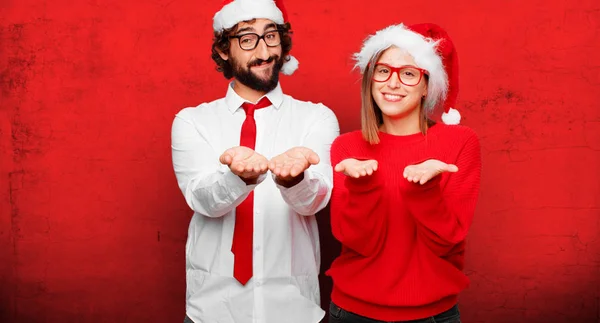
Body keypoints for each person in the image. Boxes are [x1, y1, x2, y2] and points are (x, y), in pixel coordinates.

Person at [170, 0, 339, 322]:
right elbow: (202, 200)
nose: (263, 51)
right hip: (213, 307)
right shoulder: (192, 121)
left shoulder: (316, 117)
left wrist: (294, 180)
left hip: (292, 307)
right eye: (247, 39)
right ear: (223, 50)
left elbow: (314, 202)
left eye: (271, 36)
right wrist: (237, 178)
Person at [326, 23, 481, 323]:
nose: (392, 83)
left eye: (408, 74)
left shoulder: (460, 142)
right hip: (353, 313)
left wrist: (425, 189)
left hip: (433, 315)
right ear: (370, 80)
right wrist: (362, 188)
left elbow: (446, 241)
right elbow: (357, 242)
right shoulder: (347, 147)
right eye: (383, 71)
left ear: (427, 86)